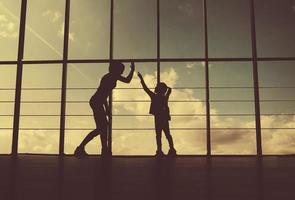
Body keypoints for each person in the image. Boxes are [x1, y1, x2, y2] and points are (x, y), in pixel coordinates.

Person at [74, 61, 135, 158]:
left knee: (102, 128)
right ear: (117, 69)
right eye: (121, 70)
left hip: (97, 102)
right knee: (101, 128)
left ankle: (99, 149)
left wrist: (107, 109)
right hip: (97, 102)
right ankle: (84, 148)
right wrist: (132, 70)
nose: (122, 72)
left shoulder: (109, 76)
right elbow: (127, 80)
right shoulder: (112, 76)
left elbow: (104, 95)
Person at [137, 72, 177, 158]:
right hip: (164, 118)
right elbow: (166, 103)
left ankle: (159, 151)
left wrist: (141, 79)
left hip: (158, 118)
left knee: (158, 135)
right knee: (167, 134)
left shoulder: (154, 96)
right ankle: (172, 149)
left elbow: (145, 88)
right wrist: (168, 91)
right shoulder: (164, 97)